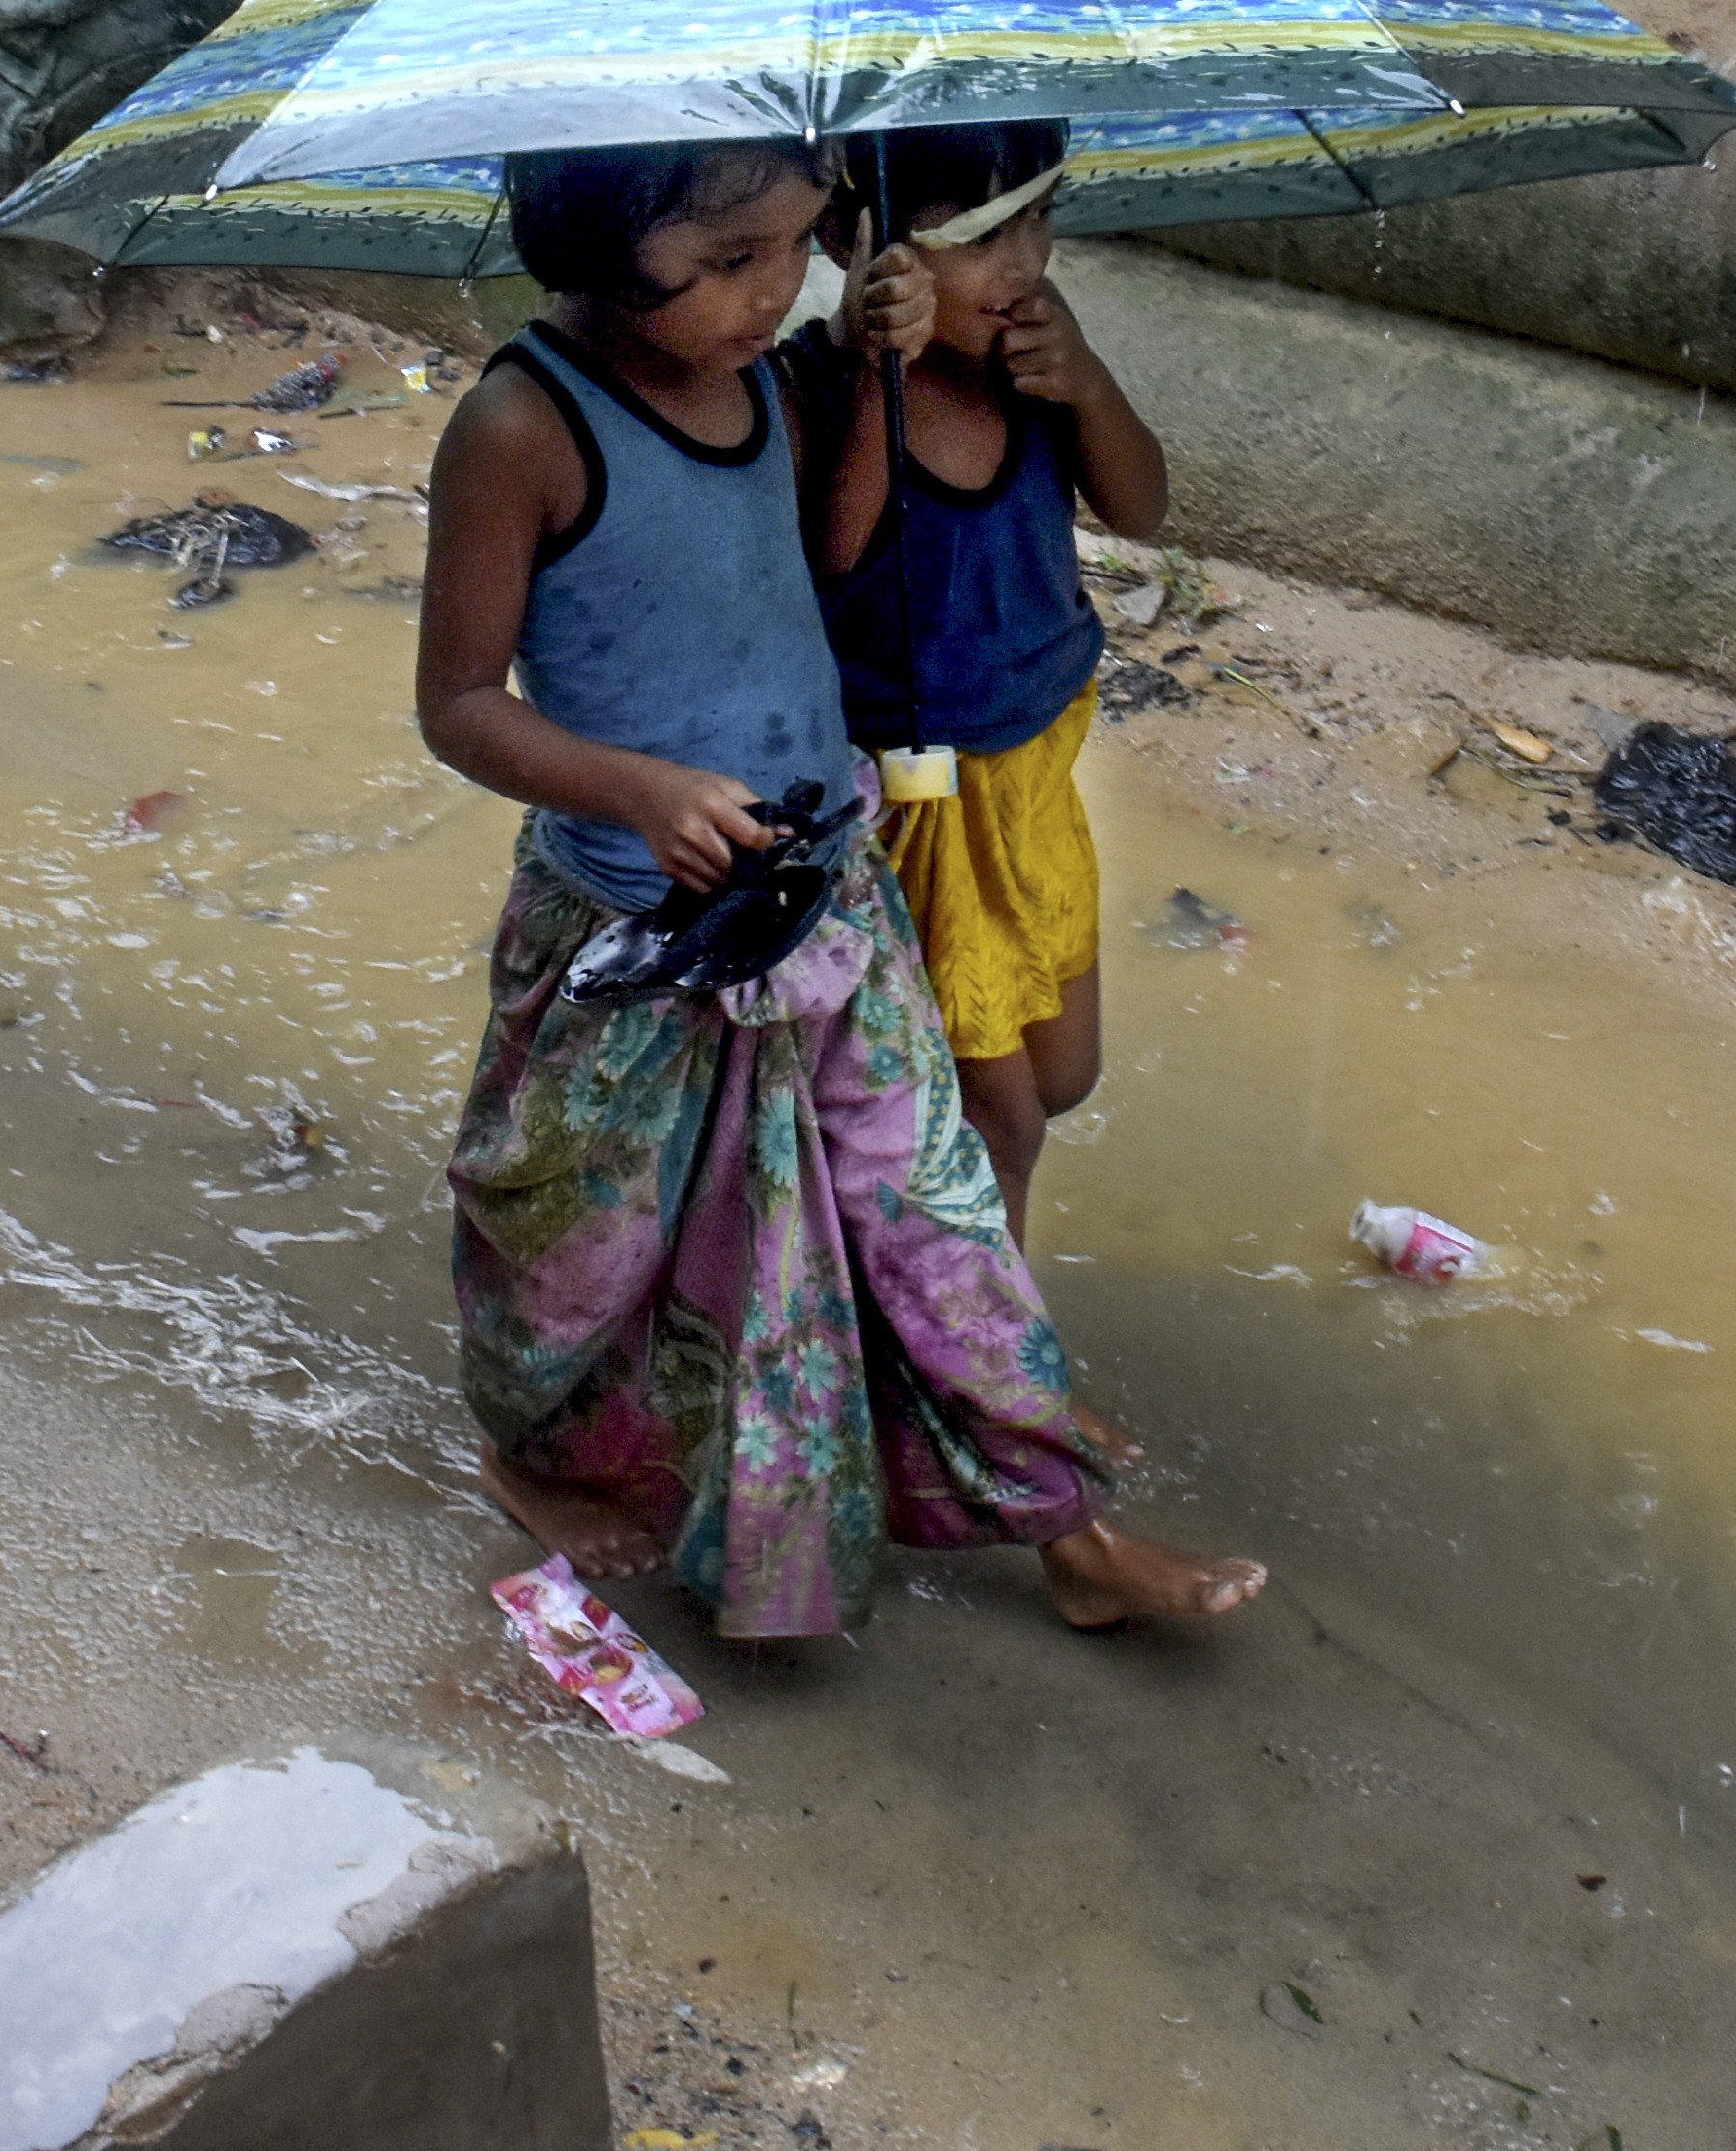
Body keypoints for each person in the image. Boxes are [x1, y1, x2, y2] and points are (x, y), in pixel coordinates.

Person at [415, 134, 1260, 1637]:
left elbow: (827, 552)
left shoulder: (759, 378)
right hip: (629, 919)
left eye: (793, 247)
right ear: (598, 257)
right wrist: (639, 788)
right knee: (575, 1238)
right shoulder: (519, 426)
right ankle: (526, 1444)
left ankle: (1065, 1529)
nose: (771, 291)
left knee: (933, 1204)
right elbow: (459, 704)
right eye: (725, 262)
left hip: (828, 887)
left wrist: (872, 381)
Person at [785, 122, 1163, 1246]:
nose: (1024, 264)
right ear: (861, 244)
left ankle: (879, 1240)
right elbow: (833, 557)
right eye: (983, 234)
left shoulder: (1035, 360)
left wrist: (1088, 385)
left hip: (1036, 768)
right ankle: (992, 1375)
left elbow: (1142, 510)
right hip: (918, 796)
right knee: (1002, 1119)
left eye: (1039, 218)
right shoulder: (818, 381)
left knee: (1061, 1073)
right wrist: (870, 370)